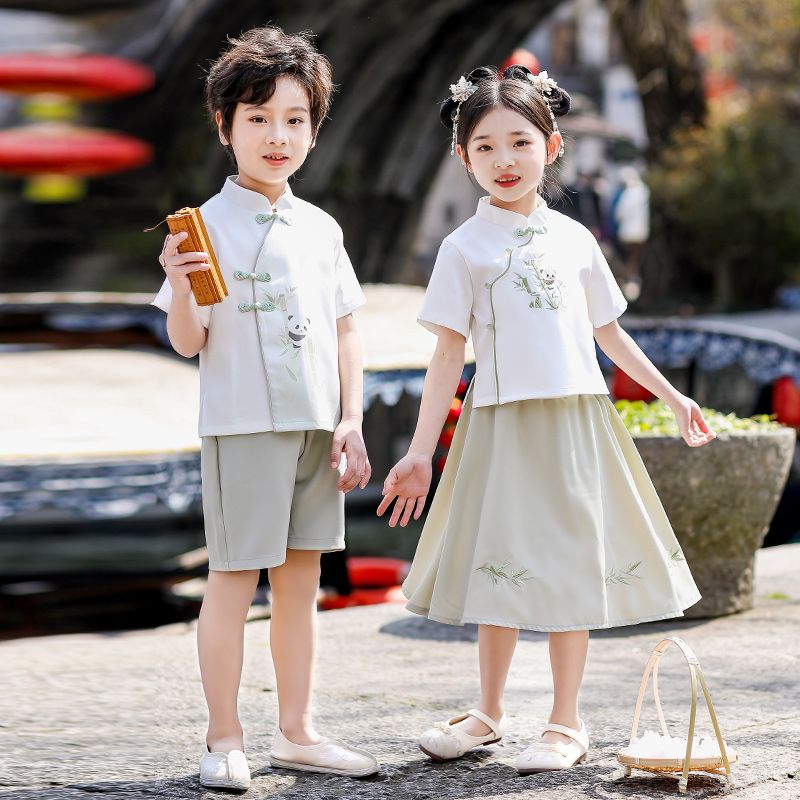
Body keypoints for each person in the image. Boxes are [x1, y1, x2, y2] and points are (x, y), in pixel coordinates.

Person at [377, 65, 714, 776]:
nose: (505, 160)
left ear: (551, 147)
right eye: (487, 146)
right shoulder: (462, 248)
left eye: (520, 142)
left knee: (567, 569)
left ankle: (566, 722)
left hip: (574, 422)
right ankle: (489, 712)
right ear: (462, 157)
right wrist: (417, 453)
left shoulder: (574, 240)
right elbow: (447, 356)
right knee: (499, 568)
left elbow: (611, 335)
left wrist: (672, 399)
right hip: (498, 422)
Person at [152, 26, 378, 790]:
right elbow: (189, 342)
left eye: (293, 119)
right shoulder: (203, 229)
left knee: (301, 583)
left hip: (318, 426)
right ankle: (222, 739)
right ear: (225, 127)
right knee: (232, 576)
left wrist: (351, 420)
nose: (276, 136)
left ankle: (298, 732)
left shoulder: (322, 229)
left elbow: (348, 331)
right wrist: (181, 284)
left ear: (314, 128)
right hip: (243, 424)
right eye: (257, 118)